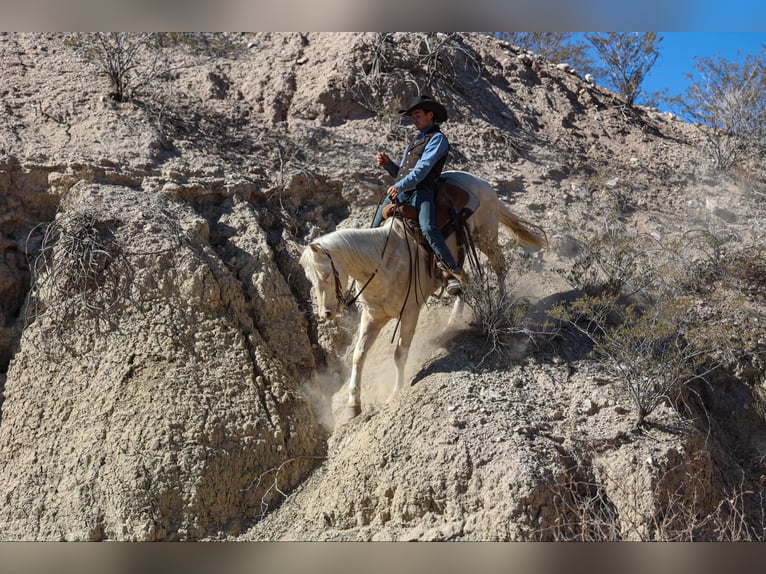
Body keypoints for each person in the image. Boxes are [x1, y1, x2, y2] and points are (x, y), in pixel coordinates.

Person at [372, 95, 464, 296]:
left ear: (430, 115)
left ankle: (454, 271)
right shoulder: (415, 141)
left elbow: (422, 170)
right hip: (405, 190)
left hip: (422, 192)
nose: (414, 119)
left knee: (428, 228)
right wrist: (388, 165)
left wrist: (400, 185)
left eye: (417, 114)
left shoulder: (438, 139)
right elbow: (403, 173)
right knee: (374, 225)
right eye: (412, 115)